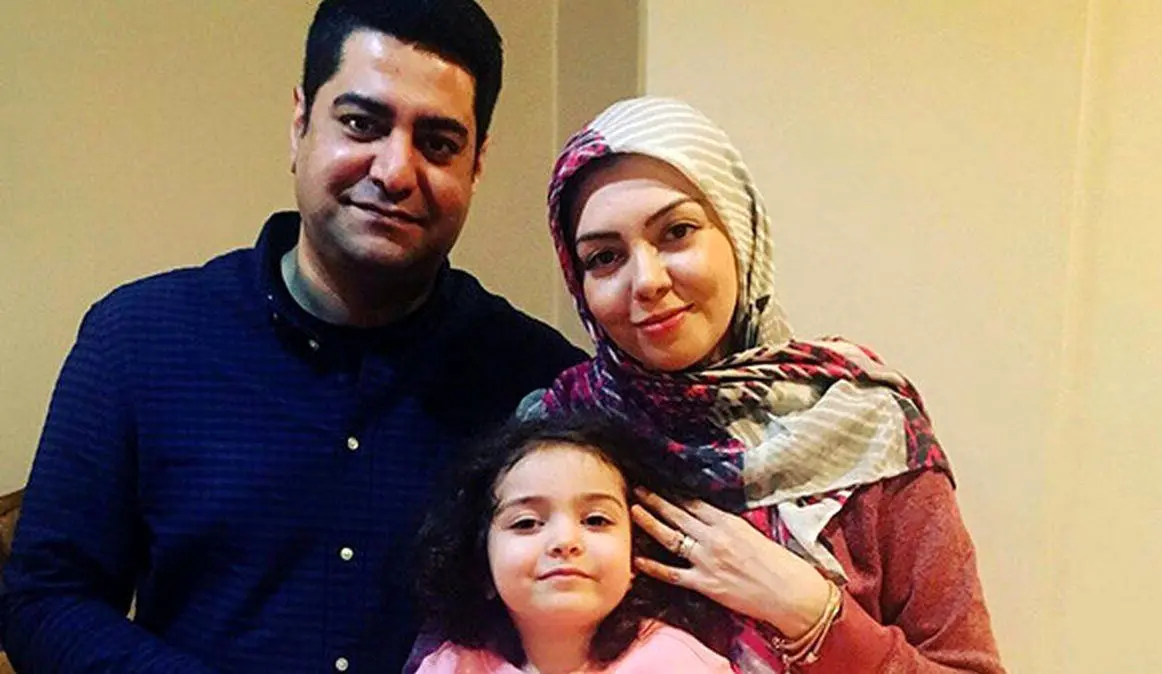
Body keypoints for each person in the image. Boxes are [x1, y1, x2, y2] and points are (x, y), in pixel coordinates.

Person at [0, 1, 585, 672]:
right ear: (300, 124)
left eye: (438, 143)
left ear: (476, 165)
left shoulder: (540, 386)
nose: (395, 171)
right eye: (362, 123)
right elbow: (43, 599)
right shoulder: (135, 340)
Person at [523, 96, 1007, 673]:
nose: (646, 281)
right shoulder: (556, 438)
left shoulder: (865, 425)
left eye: (677, 232)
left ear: (738, 231)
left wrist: (810, 611)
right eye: (604, 257)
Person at [411, 415, 737, 674]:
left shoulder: (680, 665)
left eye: (596, 520)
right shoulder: (452, 667)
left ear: (636, 553)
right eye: (526, 523)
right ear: (481, 563)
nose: (565, 541)